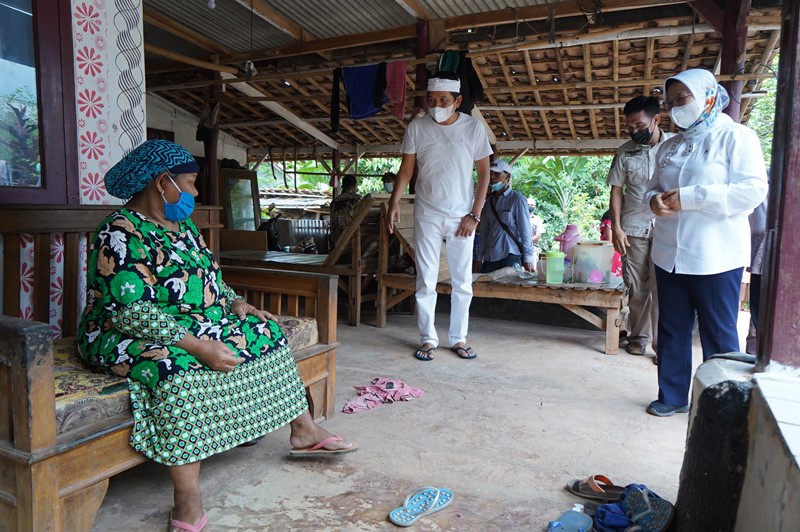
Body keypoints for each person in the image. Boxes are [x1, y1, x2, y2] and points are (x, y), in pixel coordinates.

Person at [77, 140, 356, 532]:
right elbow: (130, 311)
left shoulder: (184, 227)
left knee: (265, 330)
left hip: (192, 322)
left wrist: (238, 304)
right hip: (124, 331)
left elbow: (210, 279)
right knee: (177, 370)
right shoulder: (119, 233)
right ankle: (187, 497)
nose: (193, 193)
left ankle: (303, 429)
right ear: (162, 183)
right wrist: (197, 346)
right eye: (189, 183)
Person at [643, 69, 768, 417]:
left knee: (718, 333)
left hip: (715, 256)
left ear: (707, 96)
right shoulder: (669, 146)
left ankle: (720, 403)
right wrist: (654, 201)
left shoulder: (737, 137)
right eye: (670, 103)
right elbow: (653, 188)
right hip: (669, 253)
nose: (675, 108)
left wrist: (693, 198)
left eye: (682, 99)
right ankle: (672, 394)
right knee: (671, 329)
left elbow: (752, 190)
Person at [386, 72, 492, 362]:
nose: (437, 105)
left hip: (462, 216)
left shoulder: (473, 129)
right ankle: (428, 338)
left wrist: (475, 214)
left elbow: (484, 175)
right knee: (426, 280)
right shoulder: (417, 128)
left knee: (461, 282)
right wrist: (393, 202)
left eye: (444, 100)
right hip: (427, 214)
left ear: (457, 100)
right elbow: (406, 170)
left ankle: (458, 338)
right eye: (431, 100)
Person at [606, 96, 674, 358]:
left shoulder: (675, 147)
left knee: (663, 289)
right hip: (633, 228)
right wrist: (617, 228)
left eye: (639, 125)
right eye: (630, 127)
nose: (634, 131)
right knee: (637, 287)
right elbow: (616, 191)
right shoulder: (625, 151)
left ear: (656, 120)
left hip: (668, 229)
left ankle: (662, 345)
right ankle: (638, 338)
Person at [476, 159, 534, 273]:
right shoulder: (488, 203)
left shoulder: (517, 200)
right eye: (490, 173)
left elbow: (525, 231)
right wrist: (479, 258)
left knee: (509, 289)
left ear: (507, 176)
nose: (492, 177)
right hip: (489, 258)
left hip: (510, 255)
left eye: (496, 174)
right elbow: (484, 232)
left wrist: (528, 258)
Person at [330, 173, 362, 244]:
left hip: (336, 238)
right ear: (354, 186)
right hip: (352, 236)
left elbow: (332, 221)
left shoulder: (334, 201)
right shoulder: (357, 199)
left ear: (343, 186)